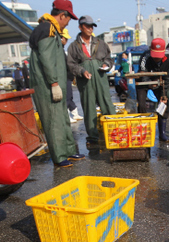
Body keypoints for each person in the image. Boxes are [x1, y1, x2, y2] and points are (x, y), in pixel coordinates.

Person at [29, 0, 83, 167]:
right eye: (68, 19)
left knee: (62, 118)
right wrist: (53, 83)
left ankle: (68, 151)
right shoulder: (47, 30)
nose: (68, 23)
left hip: (57, 83)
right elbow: (46, 59)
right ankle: (59, 156)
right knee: (53, 121)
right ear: (61, 15)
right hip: (48, 85)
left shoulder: (52, 30)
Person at [67, 15, 116, 146]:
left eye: (91, 26)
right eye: (87, 26)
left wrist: (106, 64)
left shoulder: (101, 43)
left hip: (100, 77)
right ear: (80, 27)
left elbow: (109, 58)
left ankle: (115, 132)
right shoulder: (73, 46)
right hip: (85, 81)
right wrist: (82, 71)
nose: (90, 29)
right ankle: (93, 136)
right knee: (89, 108)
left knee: (107, 104)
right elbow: (71, 65)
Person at [136, 38, 169, 142]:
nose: (157, 59)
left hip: (161, 81)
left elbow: (168, 77)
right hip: (144, 81)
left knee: (163, 105)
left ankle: (162, 133)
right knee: (142, 105)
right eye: (155, 57)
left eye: (159, 57)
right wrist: (149, 82)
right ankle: (142, 133)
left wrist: (163, 94)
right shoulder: (145, 56)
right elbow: (142, 72)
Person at [60, 28, 83, 123]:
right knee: (67, 97)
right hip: (64, 78)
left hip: (68, 77)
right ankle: (67, 117)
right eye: (65, 38)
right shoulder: (58, 51)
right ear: (61, 38)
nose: (67, 40)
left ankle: (75, 114)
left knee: (69, 97)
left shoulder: (61, 49)